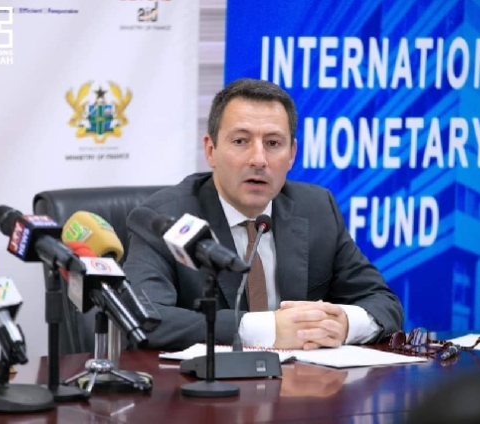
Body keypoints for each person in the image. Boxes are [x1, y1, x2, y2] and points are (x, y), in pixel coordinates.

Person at [123, 78, 403, 351]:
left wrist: (343, 323)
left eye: (273, 143)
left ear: (292, 154)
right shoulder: (165, 219)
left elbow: (383, 303)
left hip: (301, 380)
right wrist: (268, 330)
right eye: (240, 141)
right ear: (211, 150)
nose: (258, 159)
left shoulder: (317, 208)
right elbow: (143, 317)